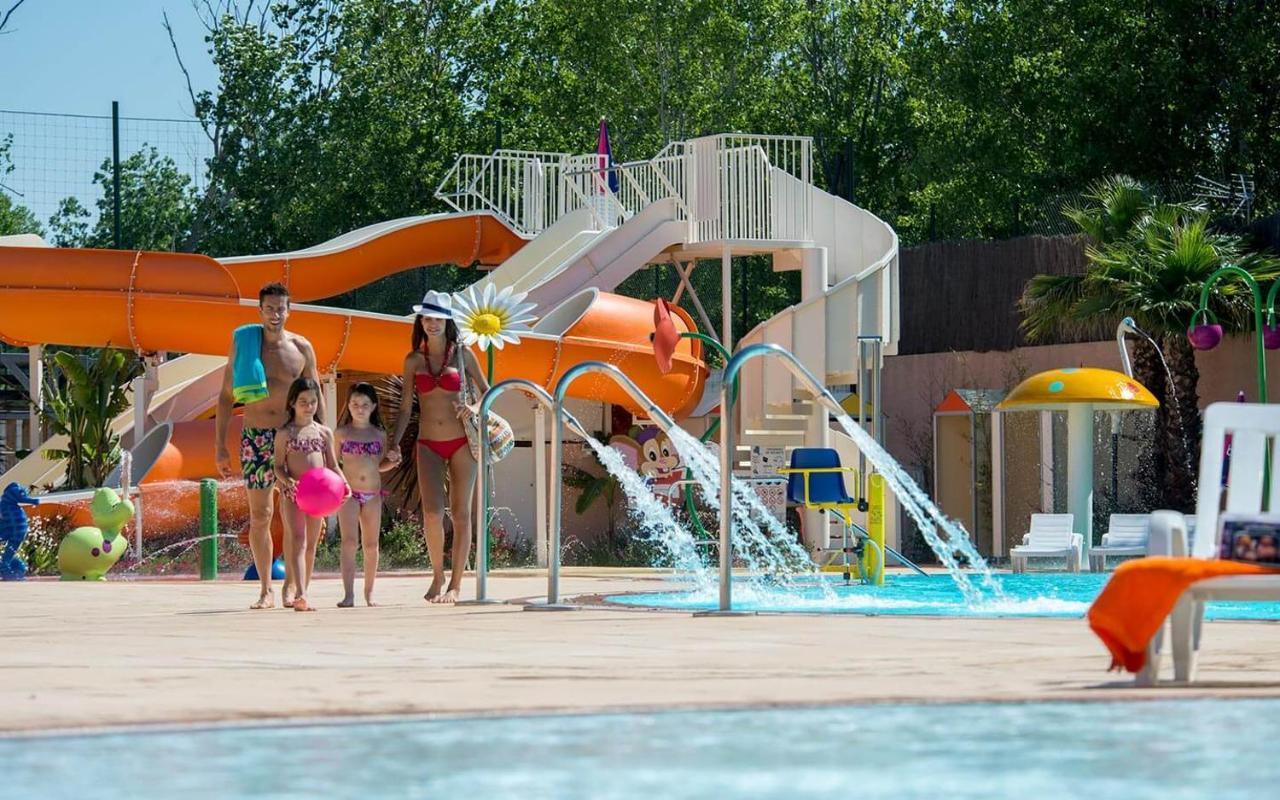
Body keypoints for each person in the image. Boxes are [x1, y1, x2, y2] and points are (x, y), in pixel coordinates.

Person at [215, 282, 323, 610]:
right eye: (270, 308)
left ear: (289, 310)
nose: (276, 314)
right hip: (257, 437)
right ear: (260, 311)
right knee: (260, 515)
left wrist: (321, 433)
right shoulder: (246, 345)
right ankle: (265, 589)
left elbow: (315, 390)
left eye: (281, 308)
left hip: (292, 438)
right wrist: (220, 445)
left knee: (297, 516)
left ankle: (292, 584)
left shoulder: (302, 348)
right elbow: (224, 396)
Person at [391, 290, 489, 604]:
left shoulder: (464, 354)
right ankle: (437, 576)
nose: (432, 324)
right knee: (432, 513)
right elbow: (406, 407)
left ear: (448, 322)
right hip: (427, 443)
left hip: (462, 442)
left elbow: (489, 392)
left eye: (438, 319)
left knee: (461, 514)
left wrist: (474, 409)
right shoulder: (413, 360)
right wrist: (394, 444)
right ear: (421, 321)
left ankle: (457, 584)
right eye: (428, 318)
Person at [273, 377, 348, 613]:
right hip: (294, 493)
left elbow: (333, 466)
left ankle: (303, 589)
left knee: (311, 544)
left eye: (313, 401)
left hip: (319, 497)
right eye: (303, 401)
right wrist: (287, 481)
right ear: (293, 403)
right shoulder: (285, 433)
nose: (309, 406)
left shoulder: (324, 433)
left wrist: (344, 484)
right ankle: (301, 594)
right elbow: (277, 466)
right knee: (297, 540)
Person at [335, 382, 400, 607]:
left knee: (371, 545)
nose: (359, 408)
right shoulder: (341, 433)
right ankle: (348, 594)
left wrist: (392, 463)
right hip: (349, 494)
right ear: (349, 406)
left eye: (364, 404)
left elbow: (378, 465)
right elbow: (333, 464)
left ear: (373, 406)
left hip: (373, 494)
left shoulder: (379, 434)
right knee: (349, 542)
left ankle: (369, 592)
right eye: (354, 404)